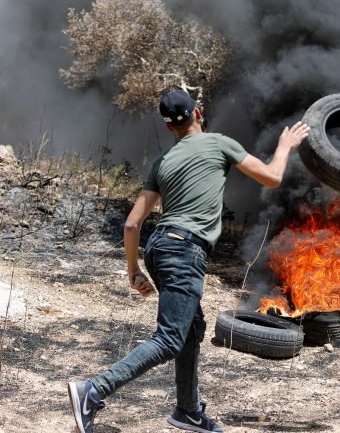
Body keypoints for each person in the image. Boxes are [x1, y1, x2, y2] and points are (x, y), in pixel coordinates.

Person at [67, 89, 310, 433]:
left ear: (169, 128)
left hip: (158, 246)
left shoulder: (161, 163)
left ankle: (187, 411)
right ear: (198, 112)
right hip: (184, 251)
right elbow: (272, 177)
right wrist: (286, 146)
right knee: (169, 338)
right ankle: (93, 390)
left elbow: (132, 223)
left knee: (192, 330)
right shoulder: (218, 143)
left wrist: (133, 269)